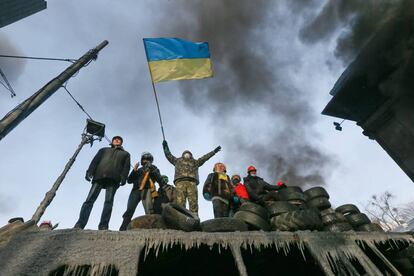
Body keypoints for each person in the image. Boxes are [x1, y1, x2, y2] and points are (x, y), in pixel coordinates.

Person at [74, 136, 130, 230]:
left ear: (121, 143)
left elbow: (126, 167)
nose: (117, 140)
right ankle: (80, 224)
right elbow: (95, 161)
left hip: (113, 179)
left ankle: (103, 225)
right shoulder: (104, 150)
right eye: (115, 139)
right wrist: (89, 171)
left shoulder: (125, 154)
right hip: (99, 176)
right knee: (89, 200)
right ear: (112, 141)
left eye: (119, 140)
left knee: (108, 202)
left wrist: (124, 178)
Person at [162, 140, 221, 217]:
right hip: (180, 182)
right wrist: (165, 147)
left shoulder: (195, 162)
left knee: (193, 202)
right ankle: (180, 218)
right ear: (182, 155)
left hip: (192, 183)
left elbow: (205, 158)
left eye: (189, 153)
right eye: (185, 153)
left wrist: (214, 152)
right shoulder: (177, 161)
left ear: (191, 155)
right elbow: (168, 155)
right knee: (180, 203)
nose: (187, 154)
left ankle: (194, 218)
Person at [119, 152, 167, 231]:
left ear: (150, 160)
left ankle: (152, 227)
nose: (145, 161)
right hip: (135, 190)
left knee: (149, 209)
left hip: (147, 189)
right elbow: (129, 180)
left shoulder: (154, 168)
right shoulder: (138, 170)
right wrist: (134, 170)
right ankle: (123, 227)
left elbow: (160, 179)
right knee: (130, 209)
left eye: (147, 159)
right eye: (144, 159)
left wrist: (153, 170)